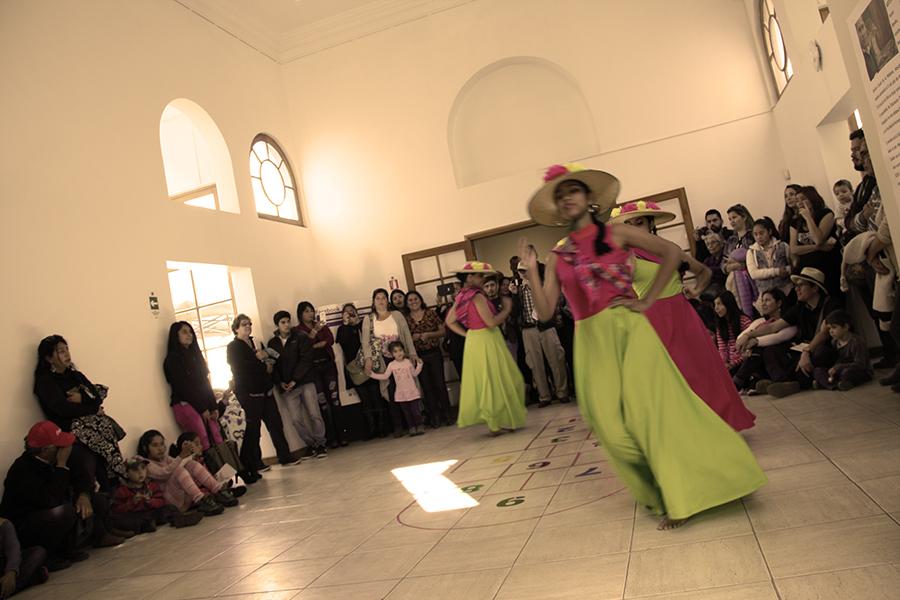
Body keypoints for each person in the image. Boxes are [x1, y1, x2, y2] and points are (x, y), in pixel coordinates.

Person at [522, 163, 766, 530]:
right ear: (558, 208)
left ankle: (677, 495)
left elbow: (670, 253)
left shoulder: (617, 233)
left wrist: (646, 299)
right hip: (590, 341)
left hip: (631, 331)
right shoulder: (557, 257)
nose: (567, 198)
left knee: (652, 415)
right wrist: (532, 273)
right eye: (560, 195)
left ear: (588, 198)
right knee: (608, 426)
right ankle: (658, 488)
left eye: (572, 190)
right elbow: (543, 313)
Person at [609, 201, 755, 431]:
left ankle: (718, 425)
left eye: (640, 222)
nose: (635, 228)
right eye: (629, 224)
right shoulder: (624, 254)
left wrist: (696, 290)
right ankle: (681, 430)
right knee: (669, 377)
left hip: (683, 314)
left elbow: (704, 272)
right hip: (652, 320)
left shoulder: (669, 249)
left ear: (650, 224)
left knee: (702, 370)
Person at [0, 422, 126, 572]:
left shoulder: (57, 458)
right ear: (46, 450)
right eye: (59, 446)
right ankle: (50, 556)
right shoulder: (23, 469)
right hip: (27, 525)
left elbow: (83, 477)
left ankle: (97, 536)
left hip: (51, 509)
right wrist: (61, 466)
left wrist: (84, 494)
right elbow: (49, 501)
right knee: (63, 512)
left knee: (96, 499)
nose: (66, 448)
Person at [33, 335, 127, 491]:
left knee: (103, 427)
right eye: (61, 351)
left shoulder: (75, 375)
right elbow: (63, 409)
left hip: (90, 420)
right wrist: (91, 407)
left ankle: (115, 483)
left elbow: (96, 397)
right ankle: (111, 484)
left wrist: (81, 397)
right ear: (49, 358)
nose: (67, 354)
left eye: (67, 349)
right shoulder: (45, 381)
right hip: (69, 425)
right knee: (101, 432)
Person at [446, 262, 526, 434]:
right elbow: (491, 322)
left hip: (475, 340)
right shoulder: (476, 296)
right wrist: (507, 309)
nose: (482, 279)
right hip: (487, 339)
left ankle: (496, 422)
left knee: (487, 381)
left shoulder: (461, 296)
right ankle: (499, 422)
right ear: (469, 277)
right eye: (479, 275)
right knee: (499, 379)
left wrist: (468, 335)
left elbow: (449, 321)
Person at [737, 268, 843, 398]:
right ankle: (783, 382)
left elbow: (824, 333)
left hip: (823, 347)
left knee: (821, 353)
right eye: (796, 285)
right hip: (803, 347)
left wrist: (807, 351)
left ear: (815, 288)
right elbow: (773, 327)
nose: (797, 289)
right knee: (771, 351)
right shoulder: (799, 308)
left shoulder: (831, 304)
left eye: (801, 285)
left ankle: (791, 382)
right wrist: (748, 335)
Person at [226, 314, 298, 482]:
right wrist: (261, 364)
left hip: (265, 390)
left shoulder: (256, 342)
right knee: (253, 431)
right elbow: (242, 367)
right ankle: (255, 463)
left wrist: (267, 365)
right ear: (236, 328)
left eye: (249, 324)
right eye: (244, 324)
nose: (248, 327)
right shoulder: (233, 346)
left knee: (276, 424)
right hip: (249, 393)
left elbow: (270, 360)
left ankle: (285, 456)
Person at [512, 250, 571, 408]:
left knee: (557, 359)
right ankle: (544, 396)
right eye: (521, 271)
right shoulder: (516, 291)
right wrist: (513, 294)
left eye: (526, 270)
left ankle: (562, 392)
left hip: (546, 326)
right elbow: (515, 312)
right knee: (535, 364)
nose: (524, 274)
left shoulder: (542, 284)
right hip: (528, 329)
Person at [362, 288, 421, 437]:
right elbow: (366, 342)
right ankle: (398, 426)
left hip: (401, 357)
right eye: (378, 298)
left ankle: (415, 423)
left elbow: (406, 336)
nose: (381, 301)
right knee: (392, 392)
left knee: (408, 388)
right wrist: (368, 360)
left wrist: (412, 354)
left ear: (387, 300)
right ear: (373, 302)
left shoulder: (397, 315)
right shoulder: (368, 319)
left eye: (383, 298)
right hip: (384, 360)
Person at [268, 311, 328, 458]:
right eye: (283, 322)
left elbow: (306, 360)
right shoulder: (272, 343)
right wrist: (280, 382)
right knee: (296, 419)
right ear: (277, 324)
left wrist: (295, 379)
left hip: (305, 382)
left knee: (314, 414)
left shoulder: (300, 337)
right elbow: (273, 365)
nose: (287, 324)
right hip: (287, 388)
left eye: (288, 321)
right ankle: (310, 444)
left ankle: (321, 443)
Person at [136, 430, 232, 516]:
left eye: (162, 444)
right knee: (178, 470)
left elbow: (178, 463)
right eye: (155, 445)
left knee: (192, 464)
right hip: (171, 502)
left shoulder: (165, 458)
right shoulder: (145, 463)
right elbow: (163, 473)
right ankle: (201, 500)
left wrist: (186, 455)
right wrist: (181, 455)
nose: (160, 448)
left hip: (183, 496)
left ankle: (218, 491)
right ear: (145, 448)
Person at [163, 322, 222, 451]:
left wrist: (213, 406)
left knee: (217, 437)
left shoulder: (195, 355)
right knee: (201, 440)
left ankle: (224, 471)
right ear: (175, 335)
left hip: (203, 404)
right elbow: (183, 387)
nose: (189, 335)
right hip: (185, 404)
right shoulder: (173, 359)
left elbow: (205, 382)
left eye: (190, 332)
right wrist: (202, 409)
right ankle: (205, 471)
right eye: (184, 332)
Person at [295, 302, 346, 448]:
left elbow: (330, 340)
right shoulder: (298, 330)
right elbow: (304, 347)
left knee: (335, 400)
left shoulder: (320, 324)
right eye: (306, 311)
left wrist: (317, 344)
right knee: (322, 404)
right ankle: (330, 438)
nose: (310, 314)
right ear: (300, 314)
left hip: (328, 366)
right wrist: (314, 335)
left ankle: (342, 435)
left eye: (311, 311)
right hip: (313, 370)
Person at [336, 304, 389, 438]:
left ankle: (382, 427)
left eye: (352, 311)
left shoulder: (365, 323)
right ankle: (371, 429)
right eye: (347, 312)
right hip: (355, 368)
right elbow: (342, 342)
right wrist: (347, 324)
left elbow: (372, 338)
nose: (350, 313)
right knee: (364, 399)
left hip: (370, 363)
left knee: (376, 395)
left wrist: (358, 323)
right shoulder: (342, 329)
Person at [111, 456, 201, 532]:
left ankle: (179, 519)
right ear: (127, 473)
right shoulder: (122, 490)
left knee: (170, 508)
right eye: (135, 470)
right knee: (119, 520)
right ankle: (145, 526)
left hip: (152, 512)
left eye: (143, 468)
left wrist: (150, 501)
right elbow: (117, 509)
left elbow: (161, 501)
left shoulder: (151, 485)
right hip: (137, 515)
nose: (140, 472)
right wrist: (131, 503)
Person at [732, 289, 798, 393]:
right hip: (764, 364)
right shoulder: (761, 321)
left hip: (785, 360)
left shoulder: (788, 321)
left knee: (766, 350)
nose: (763, 304)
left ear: (779, 303)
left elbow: (779, 337)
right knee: (755, 352)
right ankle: (750, 382)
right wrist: (746, 346)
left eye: (767, 300)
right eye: (762, 301)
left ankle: (738, 382)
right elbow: (741, 338)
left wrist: (755, 341)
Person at [405, 291, 453, 428]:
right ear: (407, 304)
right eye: (410, 300)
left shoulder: (430, 313)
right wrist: (412, 339)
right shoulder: (406, 319)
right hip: (418, 357)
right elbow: (404, 339)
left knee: (440, 384)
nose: (413, 302)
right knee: (427, 387)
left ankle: (447, 414)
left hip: (434, 353)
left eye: (415, 299)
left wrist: (429, 335)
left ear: (420, 300)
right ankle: (435, 417)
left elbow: (443, 331)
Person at [789, 186, 842, 296]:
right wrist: (819, 247)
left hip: (827, 264)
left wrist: (808, 218)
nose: (799, 203)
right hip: (807, 268)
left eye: (803, 199)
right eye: (797, 200)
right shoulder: (795, 221)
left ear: (812, 199)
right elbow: (794, 249)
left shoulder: (826, 214)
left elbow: (818, 239)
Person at [367, 341, 425, 436]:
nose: (399, 353)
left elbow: (414, 374)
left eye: (400, 350)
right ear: (391, 354)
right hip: (401, 394)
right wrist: (372, 374)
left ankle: (419, 425)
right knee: (407, 413)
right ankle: (411, 427)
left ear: (404, 351)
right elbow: (385, 376)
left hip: (412, 391)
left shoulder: (408, 362)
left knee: (415, 411)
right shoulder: (391, 365)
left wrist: (419, 365)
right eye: (395, 351)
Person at [814, 310, 873, 391]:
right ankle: (836, 384)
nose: (831, 331)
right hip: (840, 369)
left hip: (858, 370)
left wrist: (839, 367)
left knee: (846, 373)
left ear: (845, 327)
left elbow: (860, 364)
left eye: (834, 327)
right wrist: (834, 369)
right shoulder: (834, 341)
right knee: (818, 371)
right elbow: (837, 360)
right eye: (829, 328)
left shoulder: (856, 342)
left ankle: (828, 383)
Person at [746, 217, 792, 311]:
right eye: (756, 234)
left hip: (786, 291)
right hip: (764, 296)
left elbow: (793, 265)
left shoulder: (783, 246)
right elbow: (754, 274)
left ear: (769, 231)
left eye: (761, 233)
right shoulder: (751, 252)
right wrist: (776, 271)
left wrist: (787, 270)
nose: (759, 237)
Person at [723, 204, 758, 317]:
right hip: (733, 278)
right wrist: (729, 267)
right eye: (729, 219)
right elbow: (723, 263)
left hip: (750, 276)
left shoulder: (752, 236)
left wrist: (741, 265)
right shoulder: (731, 240)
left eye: (734, 217)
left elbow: (756, 257)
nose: (732, 221)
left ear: (744, 217)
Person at [0, 517, 47, 598]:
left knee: (38, 552)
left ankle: (8, 587)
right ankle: (32, 579)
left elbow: (13, 549)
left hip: (5, 568)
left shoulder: (4, 524)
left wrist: (11, 572)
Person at [713, 291, 753, 374]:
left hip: (744, 363)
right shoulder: (720, 325)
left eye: (719, 304)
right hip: (730, 365)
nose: (716, 308)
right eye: (715, 305)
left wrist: (733, 364)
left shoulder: (743, 321)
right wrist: (724, 364)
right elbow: (722, 349)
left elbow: (749, 350)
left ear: (728, 304)